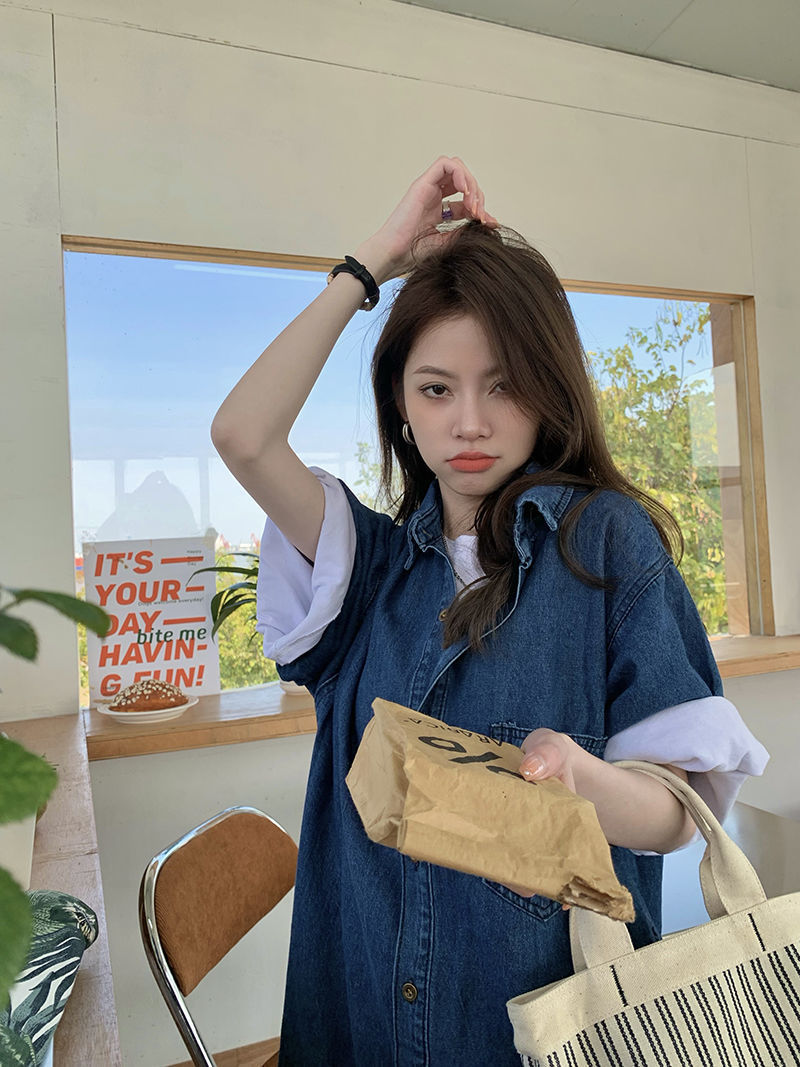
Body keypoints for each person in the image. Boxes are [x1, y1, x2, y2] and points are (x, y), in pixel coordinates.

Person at [212, 156, 768, 1066]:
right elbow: (243, 435)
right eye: (436, 388)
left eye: (503, 385)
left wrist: (581, 779)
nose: (469, 422)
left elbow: (679, 813)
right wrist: (375, 261)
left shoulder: (607, 545)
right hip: (363, 1023)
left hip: (542, 1033)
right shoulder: (365, 572)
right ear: (401, 403)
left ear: (550, 389)